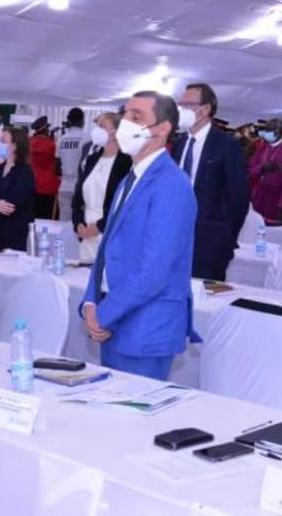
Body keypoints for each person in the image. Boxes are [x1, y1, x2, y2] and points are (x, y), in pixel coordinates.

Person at [79, 90, 197, 380]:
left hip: (145, 328)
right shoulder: (130, 178)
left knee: (131, 422)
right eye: (125, 115)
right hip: (115, 320)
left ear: (162, 128)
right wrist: (91, 303)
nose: (125, 124)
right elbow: (107, 249)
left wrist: (104, 315)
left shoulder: (171, 184)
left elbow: (153, 271)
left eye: (137, 117)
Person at [171, 83, 248, 281]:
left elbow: (239, 198)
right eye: (181, 104)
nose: (181, 110)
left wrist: (226, 241)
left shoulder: (227, 145)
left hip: (209, 243)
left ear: (205, 109)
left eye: (187, 105)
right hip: (173, 238)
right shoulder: (178, 143)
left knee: (204, 304)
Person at [73, 112, 132, 263]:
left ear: (116, 132)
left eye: (102, 126)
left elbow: (123, 202)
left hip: (109, 230)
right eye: (97, 126)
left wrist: (99, 227)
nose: (97, 130)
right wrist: (78, 222)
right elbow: (78, 196)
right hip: (85, 231)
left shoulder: (126, 162)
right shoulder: (92, 159)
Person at [0, 126, 35, 251]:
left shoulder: (25, 172)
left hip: (15, 234)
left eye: (3, 141)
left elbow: (11, 204)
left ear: (15, 146)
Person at [248, 118, 282, 224]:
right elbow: (250, 170)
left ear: (277, 133)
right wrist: (262, 167)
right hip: (261, 197)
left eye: (269, 131)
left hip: (279, 199)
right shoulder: (262, 148)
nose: (266, 134)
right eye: (266, 130)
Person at [56, 107, 87, 221]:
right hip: (80, 185)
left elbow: (56, 167)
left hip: (64, 186)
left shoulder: (62, 139)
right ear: (82, 120)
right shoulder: (87, 138)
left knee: (64, 220)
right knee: (79, 221)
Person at [29, 116, 61, 219]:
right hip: (49, 187)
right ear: (45, 129)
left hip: (32, 184)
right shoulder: (52, 145)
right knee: (48, 218)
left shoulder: (29, 142)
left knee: (33, 217)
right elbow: (57, 162)